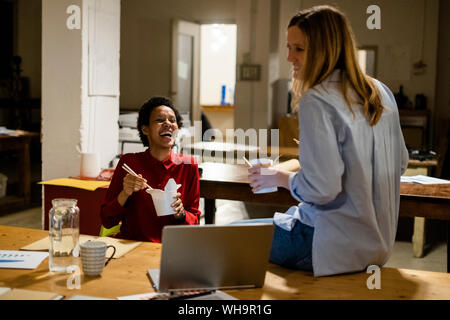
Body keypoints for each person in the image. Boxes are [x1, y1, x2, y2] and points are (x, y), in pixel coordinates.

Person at [247, 5, 409, 277]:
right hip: (377, 247)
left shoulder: (316, 99)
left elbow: (322, 189)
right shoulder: (380, 91)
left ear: (326, 49)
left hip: (327, 246)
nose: (289, 57)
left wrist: (278, 177)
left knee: (230, 235)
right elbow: (400, 162)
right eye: (288, 47)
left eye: (299, 49)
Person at [100, 96, 201, 242]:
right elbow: (107, 220)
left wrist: (182, 213)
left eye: (172, 121)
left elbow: (195, 222)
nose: (168, 124)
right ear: (145, 129)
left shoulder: (188, 165)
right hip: (134, 246)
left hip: (170, 249)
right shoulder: (129, 162)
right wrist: (125, 193)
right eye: (160, 120)